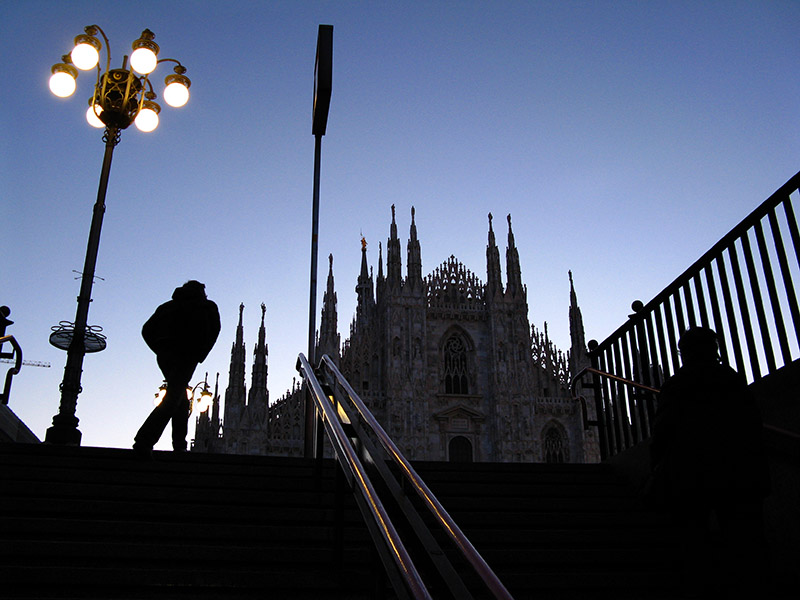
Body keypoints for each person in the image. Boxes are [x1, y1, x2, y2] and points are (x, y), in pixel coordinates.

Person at [650, 326, 770, 595]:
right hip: (739, 473)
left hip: (692, 475)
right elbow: (753, 424)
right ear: (714, 350)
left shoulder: (678, 384)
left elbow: (663, 431)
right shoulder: (732, 379)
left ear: (684, 353)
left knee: (694, 541)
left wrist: (656, 467)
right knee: (746, 543)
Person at [133, 281, 220, 457]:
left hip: (166, 357)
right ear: (201, 292)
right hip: (187, 355)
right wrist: (201, 351)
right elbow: (215, 329)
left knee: (180, 397)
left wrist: (159, 348)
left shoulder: (168, 306)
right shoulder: (205, 306)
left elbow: (146, 330)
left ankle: (179, 444)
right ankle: (144, 440)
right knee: (173, 397)